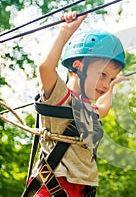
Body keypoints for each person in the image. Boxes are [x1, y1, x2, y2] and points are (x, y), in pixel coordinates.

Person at [22, 11, 128, 197]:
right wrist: (65, 30)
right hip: (52, 187)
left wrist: (112, 86)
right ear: (78, 66)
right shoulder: (60, 96)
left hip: (81, 190)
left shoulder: (87, 108)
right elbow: (45, 66)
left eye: (109, 78)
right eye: (102, 74)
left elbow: (103, 109)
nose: (104, 84)